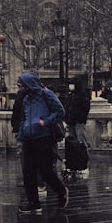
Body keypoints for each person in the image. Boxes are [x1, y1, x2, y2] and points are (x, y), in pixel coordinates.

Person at [16, 72, 70, 214]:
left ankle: (61, 190)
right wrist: (20, 139)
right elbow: (23, 120)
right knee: (28, 173)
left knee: (45, 170)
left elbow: (60, 112)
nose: (20, 89)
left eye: (21, 86)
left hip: (44, 137)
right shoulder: (26, 99)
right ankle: (34, 202)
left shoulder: (46, 94)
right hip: (29, 138)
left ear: (28, 85)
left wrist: (45, 121)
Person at [63, 79, 91, 147]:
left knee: (81, 140)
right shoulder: (72, 95)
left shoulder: (82, 94)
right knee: (73, 141)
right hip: (71, 122)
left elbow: (85, 108)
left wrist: (80, 119)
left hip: (79, 122)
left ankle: (83, 156)